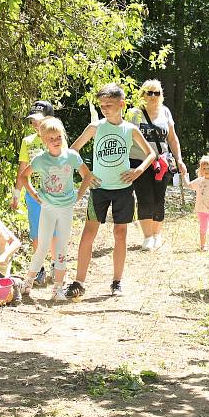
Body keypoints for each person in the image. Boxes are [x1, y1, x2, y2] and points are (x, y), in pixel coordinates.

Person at [65, 83, 155, 298]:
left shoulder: (130, 129)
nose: (105, 108)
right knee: (88, 235)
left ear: (121, 104)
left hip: (123, 190)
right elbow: (72, 151)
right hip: (99, 189)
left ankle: (117, 282)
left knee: (120, 234)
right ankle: (79, 281)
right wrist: (86, 173)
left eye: (109, 104)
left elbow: (151, 153)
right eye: (102, 105)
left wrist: (138, 171)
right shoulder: (95, 127)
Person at [17, 117, 98, 301]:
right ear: (44, 140)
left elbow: (87, 175)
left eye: (58, 137)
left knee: (61, 248)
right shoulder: (40, 159)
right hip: (48, 208)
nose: (56, 141)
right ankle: (28, 280)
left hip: (66, 208)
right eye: (51, 138)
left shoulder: (71, 156)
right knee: (43, 246)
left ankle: (58, 289)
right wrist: (35, 194)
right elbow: (23, 177)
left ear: (63, 136)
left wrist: (79, 195)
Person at [126, 80, 188, 250]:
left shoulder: (165, 112)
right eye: (149, 92)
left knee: (159, 198)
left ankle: (157, 235)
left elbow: (172, 138)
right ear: (142, 95)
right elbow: (124, 137)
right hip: (139, 161)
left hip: (162, 162)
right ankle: (147, 237)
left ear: (162, 95)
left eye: (157, 93)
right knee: (144, 197)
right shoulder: (133, 114)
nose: (153, 96)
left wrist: (179, 159)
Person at [11, 100, 57, 287]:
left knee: (54, 232)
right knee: (36, 233)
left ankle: (56, 264)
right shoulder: (27, 142)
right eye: (33, 121)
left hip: (55, 194)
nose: (36, 125)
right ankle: (39, 269)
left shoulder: (57, 139)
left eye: (40, 121)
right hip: (33, 194)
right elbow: (22, 169)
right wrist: (16, 194)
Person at [184, 155, 209, 250]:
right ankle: (203, 246)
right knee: (203, 228)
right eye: (204, 168)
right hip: (201, 209)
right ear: (201, 170)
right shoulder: (199, 181)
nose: (206, 170)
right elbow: (188, 185)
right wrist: (184, 174)